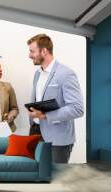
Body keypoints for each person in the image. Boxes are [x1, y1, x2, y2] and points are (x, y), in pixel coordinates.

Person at [27, 34, 84, 163]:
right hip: (35, 132)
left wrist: (45, 115)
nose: (29, 55)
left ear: (44, 51)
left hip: (57, 138)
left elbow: (77, 109)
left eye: (32, 51)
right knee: (38, 177)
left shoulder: (66, 74)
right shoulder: (37, 74)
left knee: (56, 179)